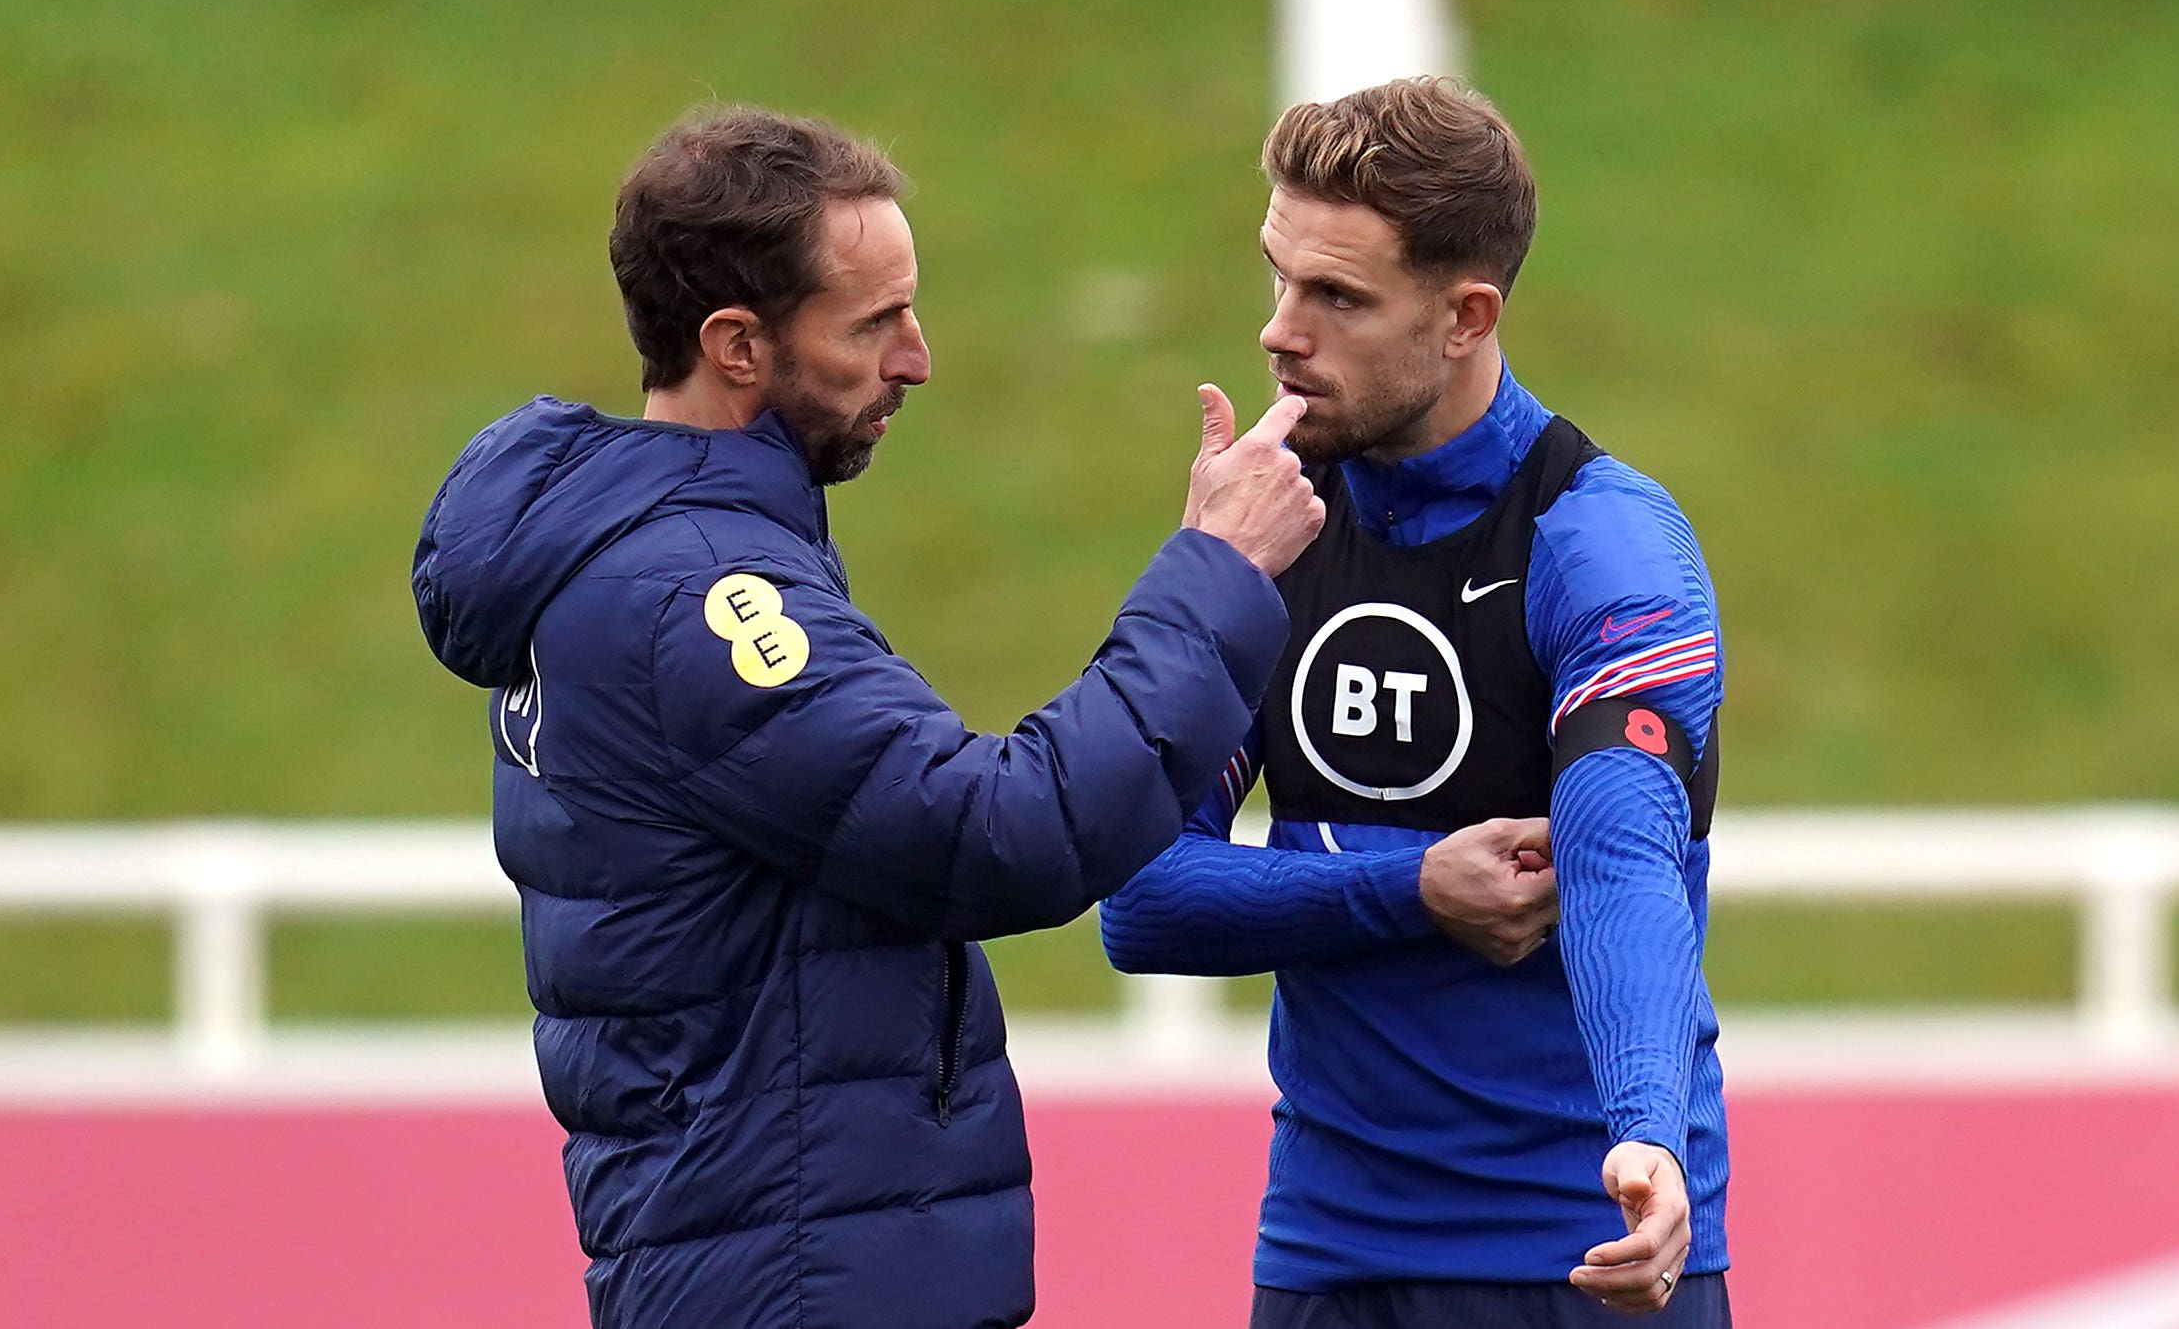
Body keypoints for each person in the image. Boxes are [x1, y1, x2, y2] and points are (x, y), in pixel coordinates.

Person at [409, 105, 1336, 1329]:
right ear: (737, 344)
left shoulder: (649, 558)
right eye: (872, 324)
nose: (917, 358)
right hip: (798, 1283)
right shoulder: (696, 597)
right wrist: (1214, 572)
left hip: (770, 1258)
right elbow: (997, 834)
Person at [1101, 77, 1731, 1326]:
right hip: (1328, 1256)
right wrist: (1407, 888)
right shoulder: (1265, 532)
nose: (1281, 331)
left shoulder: (1598, 545)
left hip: (1585, 1247)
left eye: (1337, 297)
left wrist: (1648, 1132)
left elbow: (1618, 866)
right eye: (1278, 277)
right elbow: (1139, 898)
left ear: (1464, 316)